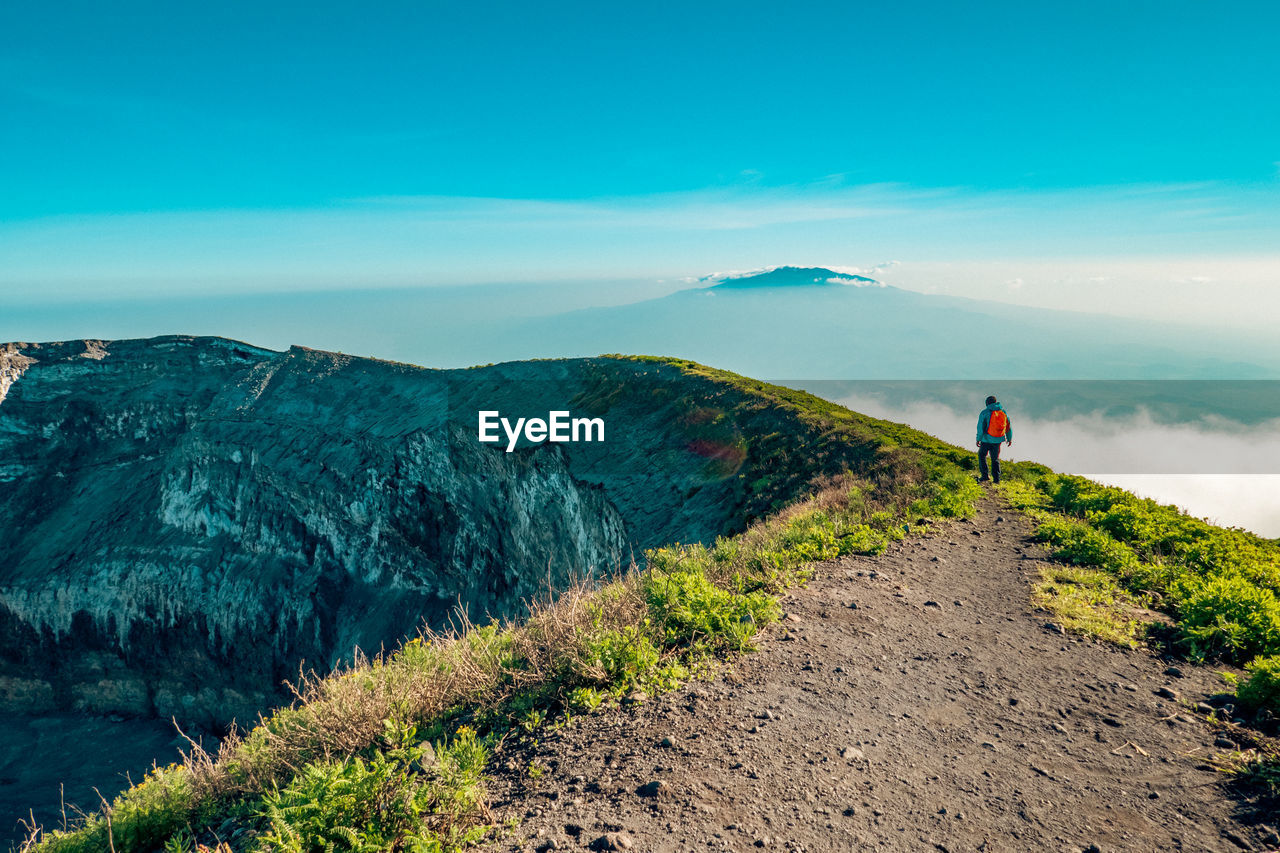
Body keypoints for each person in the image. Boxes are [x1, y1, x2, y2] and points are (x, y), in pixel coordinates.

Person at [976, 395, 1012, 484]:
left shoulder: (984, 412)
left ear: (987, 403)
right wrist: (1009, 438)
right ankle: (996, 480)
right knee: (995, 458)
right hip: (998, 440)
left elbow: (980, 427)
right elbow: (1008, 426)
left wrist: (978, 439)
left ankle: (985, 476)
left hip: (986, 439)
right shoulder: (1003, 411)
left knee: (982, 455)